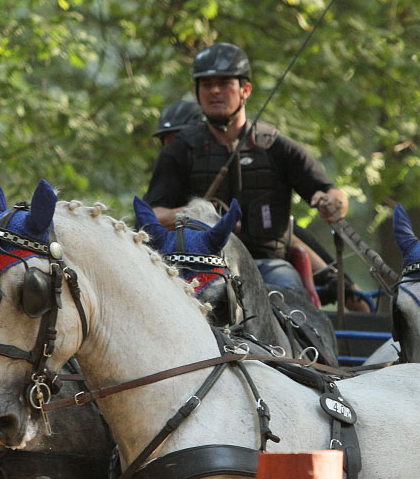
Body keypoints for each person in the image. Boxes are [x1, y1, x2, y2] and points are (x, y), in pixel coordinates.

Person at [143, 42, 348, 294]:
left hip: (269, 266)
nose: (215, 91)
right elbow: (151, 216)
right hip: (199, 265)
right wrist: (201, 214)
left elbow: (333, 194)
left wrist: (333, 204)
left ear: (245, 90)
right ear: (197, 92)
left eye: (225, 83)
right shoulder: (180, 150)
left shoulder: (278, 148)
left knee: (291, 299)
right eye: (207, 85)